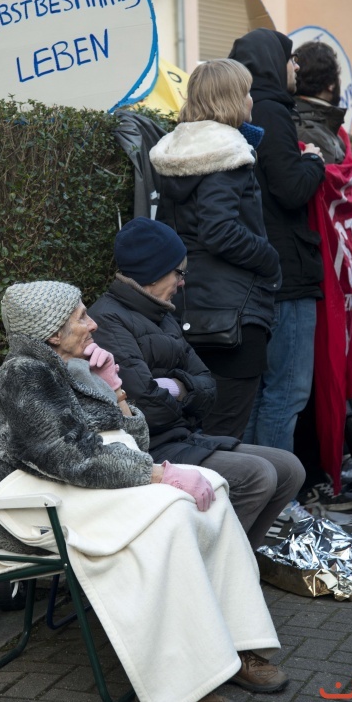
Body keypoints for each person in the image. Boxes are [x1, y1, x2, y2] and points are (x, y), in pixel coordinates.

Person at [0, 280, 288, 702]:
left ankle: (239, 644)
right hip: (25, 502)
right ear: (52, 334)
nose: (93, 322)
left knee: (211, 487)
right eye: (81, 317)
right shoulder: (22, 376)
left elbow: (129, 438)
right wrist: (159, 474)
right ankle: (185, 682)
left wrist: (112, 390)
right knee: (171, 512)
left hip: (63, 482)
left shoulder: (65, 366)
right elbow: (73, 458)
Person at [88, 217, 305, 550]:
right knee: (259, 476)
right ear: (152, 270)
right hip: (152, 449)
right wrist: (184, 389)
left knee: (290, 469)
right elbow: (142, 406)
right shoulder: (108, 319)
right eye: (178, 272)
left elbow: (208, 387)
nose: (182, 283)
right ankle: (208, 567)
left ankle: (238, 562)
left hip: (185, 437)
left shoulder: (161, 314)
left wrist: (173, 387)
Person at [151, 58, 281, 440]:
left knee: (199, 436)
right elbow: (220, 230)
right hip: (233, 316)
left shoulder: (176, 152)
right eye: (245, 91)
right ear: (230, 99)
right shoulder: (227, 152)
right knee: (224, 438)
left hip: (187, 308)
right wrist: (269, 260)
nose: (251, 100)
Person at [228, 29, 325, 468]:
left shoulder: (242, 111)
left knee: (258, 393)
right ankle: (278, 502)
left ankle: (253, 494)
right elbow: (290, 189)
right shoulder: (273, 111)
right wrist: (313, 162)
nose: (297, 67)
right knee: (286, 391)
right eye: (291, 58)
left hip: (254, 276)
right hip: (286, 273)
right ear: (272, 62)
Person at [291, 41, 352, 513]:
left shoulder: (295, 129)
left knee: (313, 381)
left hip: (315, 272)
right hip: (345, 272)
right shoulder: (339, 135)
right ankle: (333, 469)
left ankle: (319, 475)